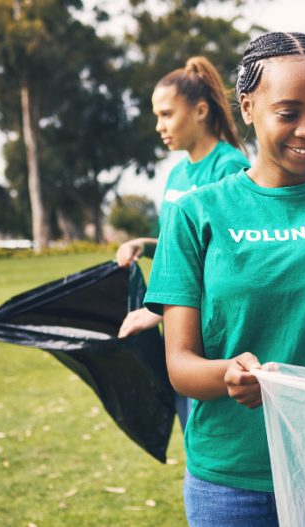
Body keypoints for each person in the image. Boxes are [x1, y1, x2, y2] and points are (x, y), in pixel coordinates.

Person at [143, 32, 305, 526]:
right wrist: (227, 375)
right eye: (289, 113)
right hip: (232, 479)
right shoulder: (197, 214)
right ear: (247, 108)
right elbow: (180, 365)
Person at [114, 56, 250, 431]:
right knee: (190, 430)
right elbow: (187, 245)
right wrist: (146, 243)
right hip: (179, 327)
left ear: (201, 110)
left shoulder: (229, 166)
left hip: (209, 332)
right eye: (157, 116)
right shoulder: (177, 172)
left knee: (211, 428)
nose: (159, 126)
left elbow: (228, 256)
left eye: (167, 114)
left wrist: (159, 311)